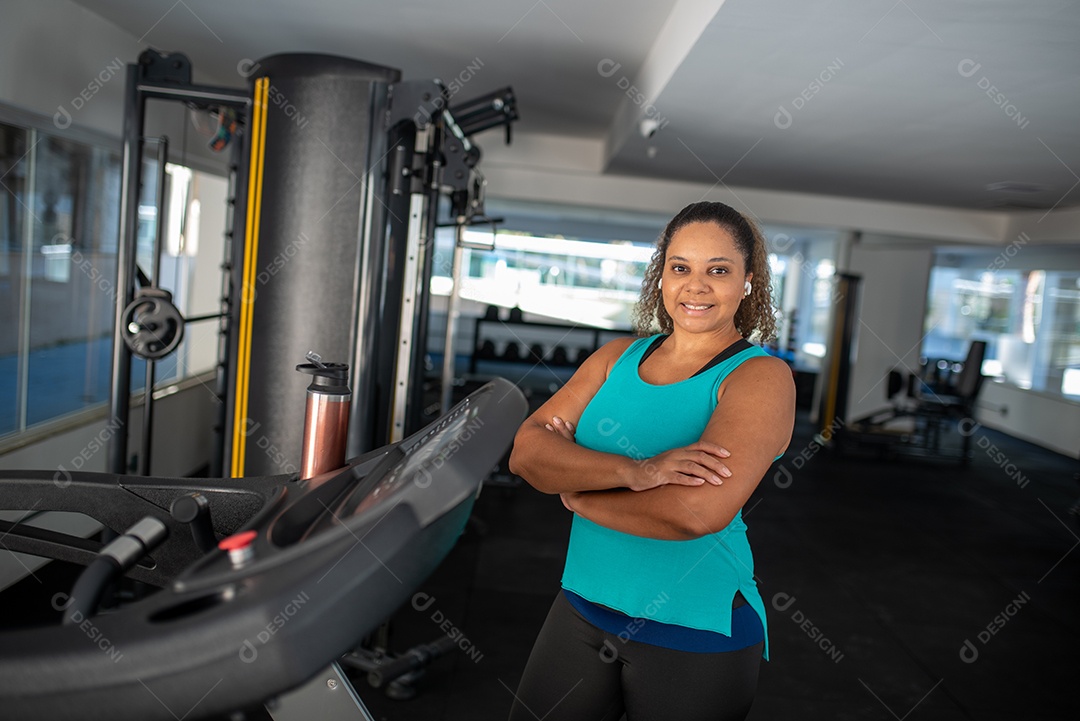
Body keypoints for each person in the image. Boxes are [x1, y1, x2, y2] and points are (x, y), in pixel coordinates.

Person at [506, 201, 796, 721]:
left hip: (696, 625)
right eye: (681, 267)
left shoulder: (760, 378)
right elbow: (527, 452)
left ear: (748, 282)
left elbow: (694, 513)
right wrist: (639, 473)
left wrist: (577, 492)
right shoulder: (615, 357)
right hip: (583, 604)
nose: (696, 285)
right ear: (661, 276)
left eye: (719, 270)